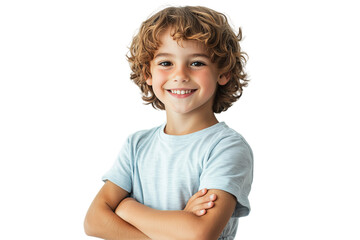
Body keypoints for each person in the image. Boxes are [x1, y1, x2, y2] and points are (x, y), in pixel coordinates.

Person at [84, 5, 253, 240]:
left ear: (223, 72)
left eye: (196, 63)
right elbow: (94, 221)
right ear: (148, 73)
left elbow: (199, 234)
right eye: (166, 63)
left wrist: (126, 208)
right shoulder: (136, 145)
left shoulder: (227, 147)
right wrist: (176, 228)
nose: (180, 74)